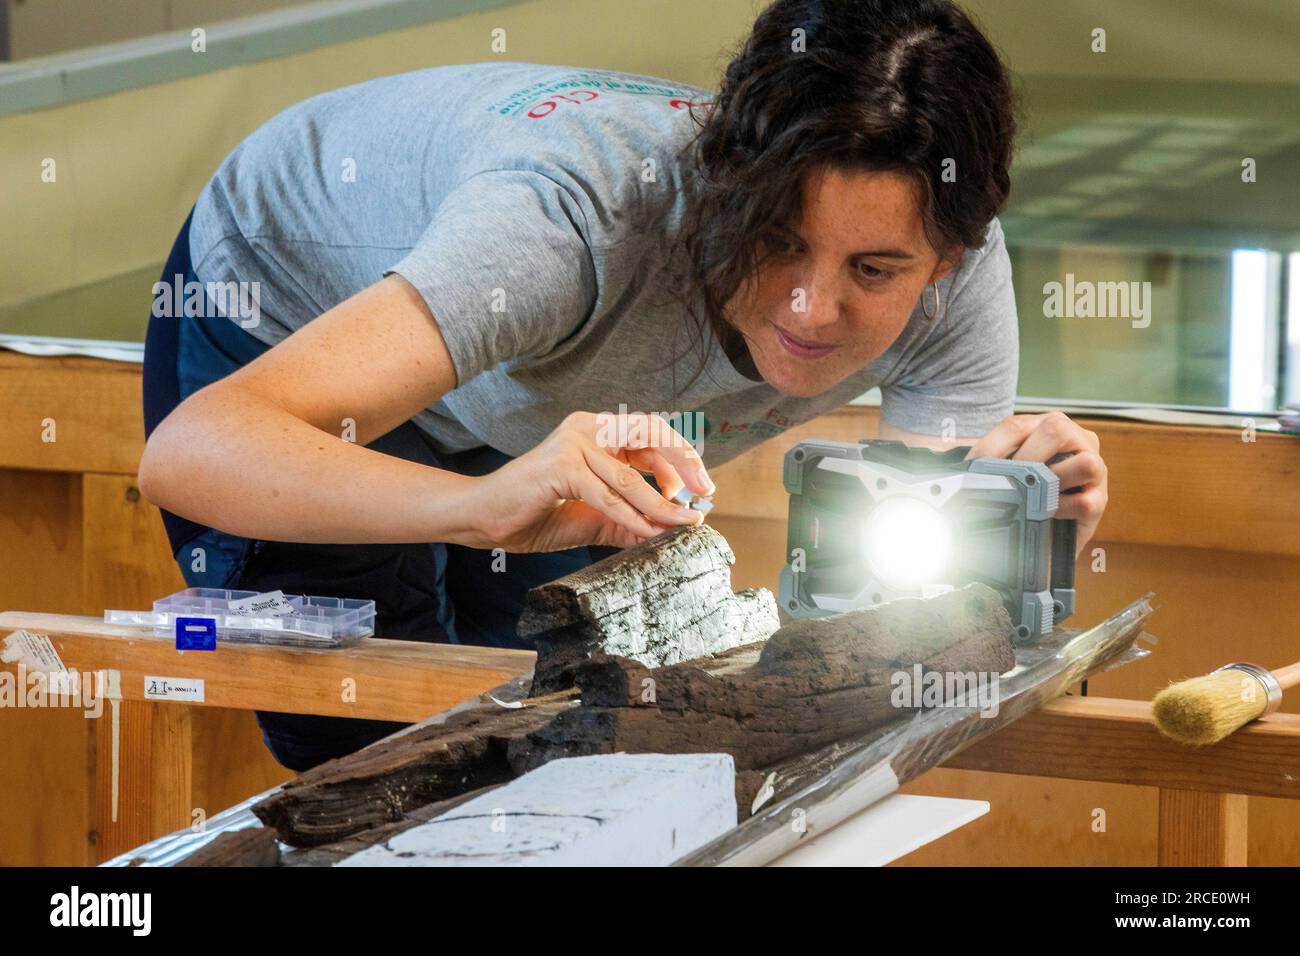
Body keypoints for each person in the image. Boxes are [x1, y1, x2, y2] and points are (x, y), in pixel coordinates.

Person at [139, 0, 1107, 771]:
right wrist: (479, 505)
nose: (811, 309)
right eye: (779, 242)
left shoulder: (957, 279)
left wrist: (1027, 537)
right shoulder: (566, 223)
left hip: (528, 389)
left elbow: (915, 613)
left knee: (554, 728)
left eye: (874, 270)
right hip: (289, 308)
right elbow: (186, 453)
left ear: (943, 263)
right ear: (728, 189)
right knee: (386, 755)